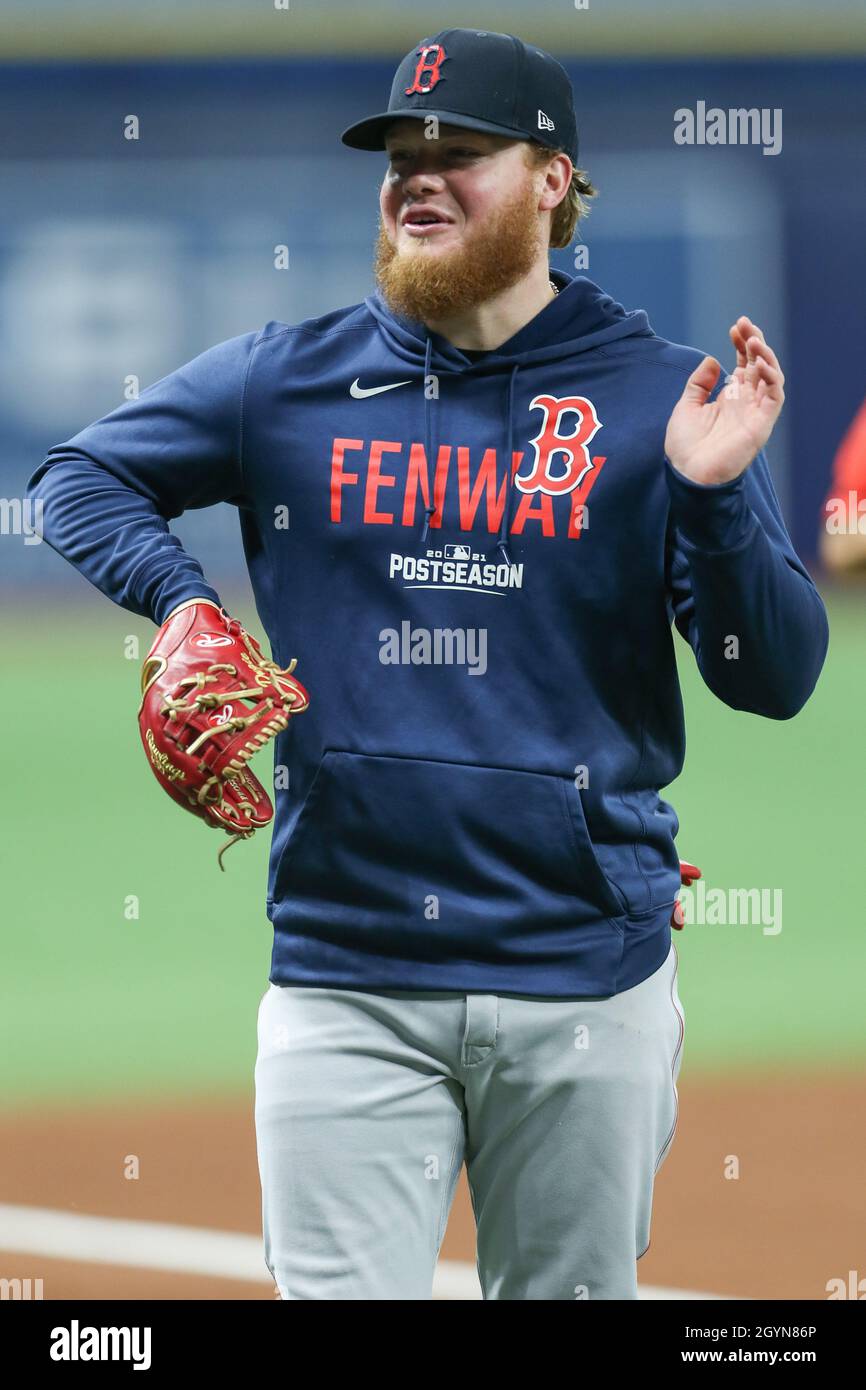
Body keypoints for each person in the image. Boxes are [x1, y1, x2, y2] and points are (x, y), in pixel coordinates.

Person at [25, 28, 829, 1300]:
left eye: (459, 150)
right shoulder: (286, 381)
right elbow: (79, 477)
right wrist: (181, 607)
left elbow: (771, 675)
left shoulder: (658, 399)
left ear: (552, 179)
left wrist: (714, 499)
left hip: (584, 976)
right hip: (345, 973)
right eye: (401, 152)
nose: (418, 174)